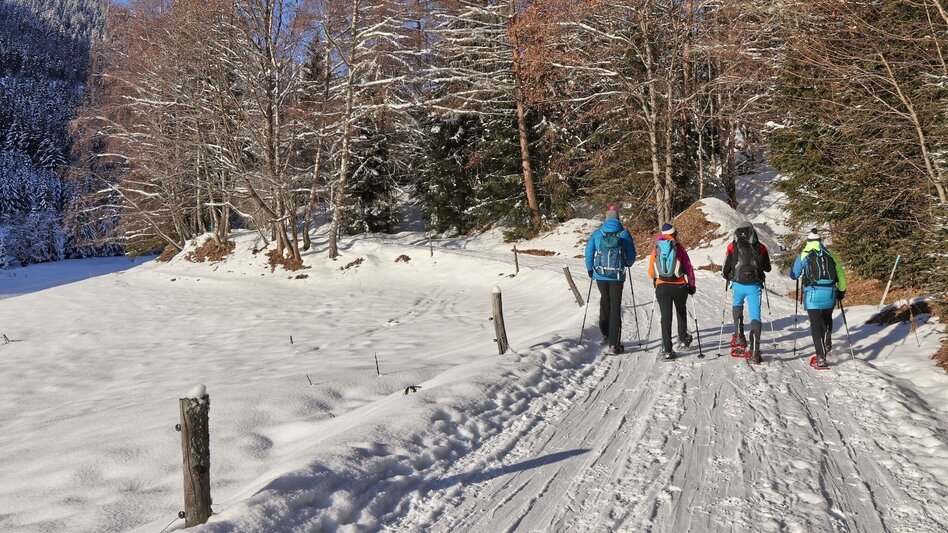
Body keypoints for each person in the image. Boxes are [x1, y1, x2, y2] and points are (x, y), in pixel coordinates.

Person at [789, 229, 847, 368]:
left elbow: (794, 275)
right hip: (830, 293)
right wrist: (841, 291)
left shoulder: (804, 254)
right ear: (820, 241)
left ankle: (821, 357)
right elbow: (840, 274)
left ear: (808, 242)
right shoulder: (829, 254)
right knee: (826, 318)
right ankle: (827, 340)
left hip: (813, 295)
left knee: (815, 324)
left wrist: (797, 271)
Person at [585, 205, 636, 354]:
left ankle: (605, 334)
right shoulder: (624, 234)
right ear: (618, 219)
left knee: (604, 300)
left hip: (600, 275)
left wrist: (590, 269)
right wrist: (627, 263)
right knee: (615, 307)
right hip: (617, 276)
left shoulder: (597, 233)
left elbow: (589, 252)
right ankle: (615, 344)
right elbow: (631, 255)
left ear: (606, 219)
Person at [722, 222, 772, 364]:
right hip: (754, 285)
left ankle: (739, 335)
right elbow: (767, 268)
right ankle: (755, 351)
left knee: (737, 304)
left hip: (738, 284)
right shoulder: (760, 247)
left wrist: (727, 275)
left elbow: (726, 267)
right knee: (755, 315)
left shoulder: (733, 246)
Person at [647, 223, 696, 360]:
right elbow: (688, 268)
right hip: (679, 286)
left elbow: (651, 271)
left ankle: (667, 350)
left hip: (662, 287)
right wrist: (691, 285)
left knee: (665, 317)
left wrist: (657, 279)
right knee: (681, 311)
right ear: (674, 234)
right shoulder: (678, 248)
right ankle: (683, 338)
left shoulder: (656, 249)